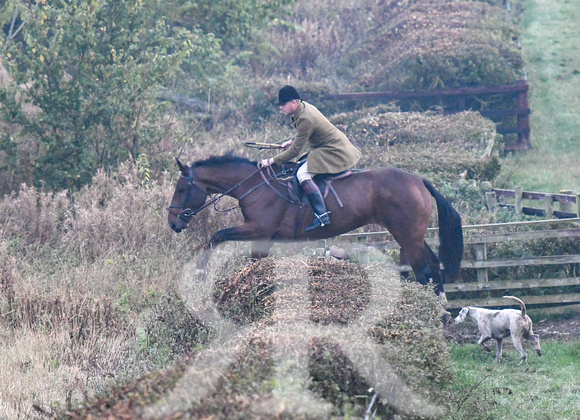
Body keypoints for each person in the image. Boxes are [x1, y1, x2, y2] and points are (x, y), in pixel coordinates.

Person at [260, 85, 362, 232]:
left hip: (333, 150)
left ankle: (321, 215)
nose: (280, 108)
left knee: (303, 174)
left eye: (283, 104)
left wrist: (271, 161)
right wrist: (292, 140)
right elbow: (303, 135)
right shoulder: (303, 108)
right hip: (325, 146)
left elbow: (295, 151)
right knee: (301, 165)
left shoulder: (305, 118)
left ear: (294, 103)